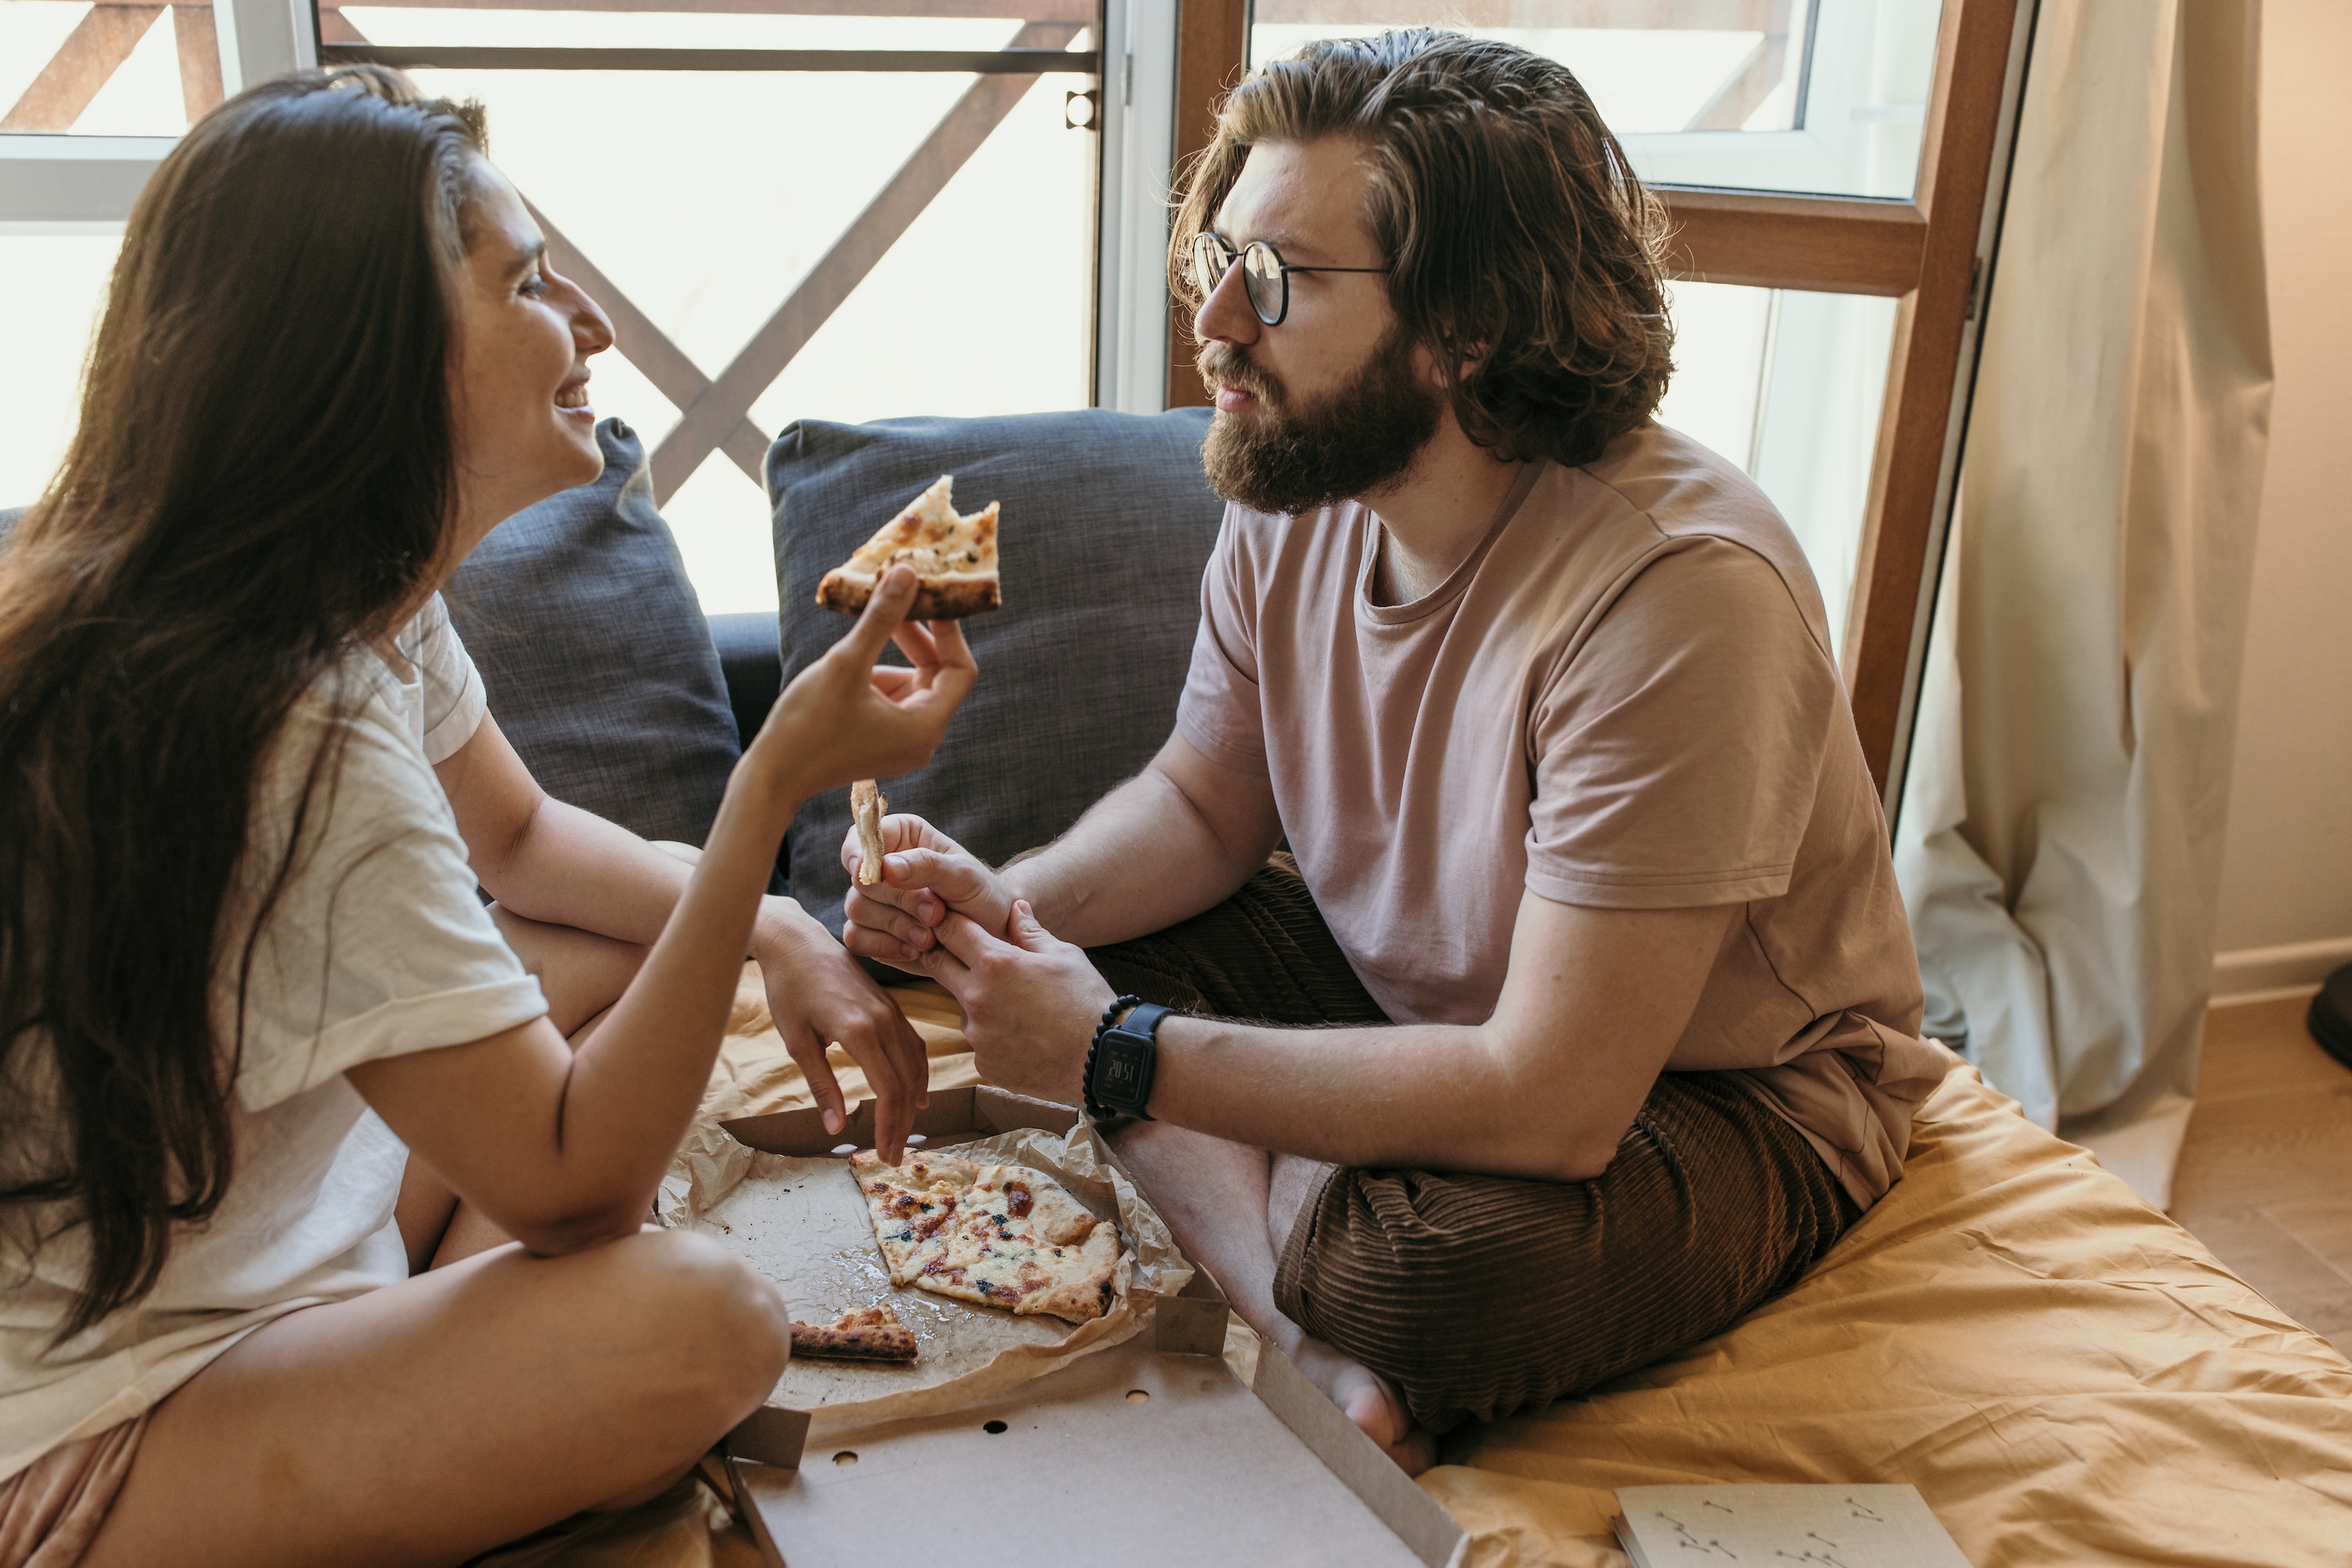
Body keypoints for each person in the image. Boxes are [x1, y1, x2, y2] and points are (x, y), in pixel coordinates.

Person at [840, 30, 1949, 1473]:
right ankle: (1301, 1317)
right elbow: (1201, 808)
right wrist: (1009, 906)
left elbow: (1553, 1100)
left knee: (1417, 1280)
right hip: (1416, 999)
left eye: (1280, 281)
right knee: (1082, 966)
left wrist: (1117, 1060)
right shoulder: (1299, 472)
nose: (1219, 322)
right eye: (1220, 261)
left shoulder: (1679, 599)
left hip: (1722, 1091)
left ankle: (1319, 1251)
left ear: (1466, 324)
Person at [0, 69, 973, 1566]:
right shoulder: (291, 716)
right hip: (103, 1431)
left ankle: (422, 1358)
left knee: (568, 959)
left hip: (266, 1260)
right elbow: (576, 1186)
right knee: (702, 1321)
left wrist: (777, 919)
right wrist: (768, 786)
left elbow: (519, 845)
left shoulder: (358, 605)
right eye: (528, 281)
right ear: (377, 354)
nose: (586, 324)